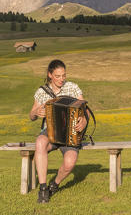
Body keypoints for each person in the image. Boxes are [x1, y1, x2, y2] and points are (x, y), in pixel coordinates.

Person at [29, 59, 87, 204]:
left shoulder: (73, 88)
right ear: (50, 75)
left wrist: (83, 121)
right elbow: (31, 116)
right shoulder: (42, 92)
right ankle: (43, 189)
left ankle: (54, 185)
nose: (62, 79)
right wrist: (36, 112)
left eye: (64, 75)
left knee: (69, 162)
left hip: (71, 133)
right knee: (40, 142)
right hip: (50, 132)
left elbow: (84, 110)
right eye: (58, 76)